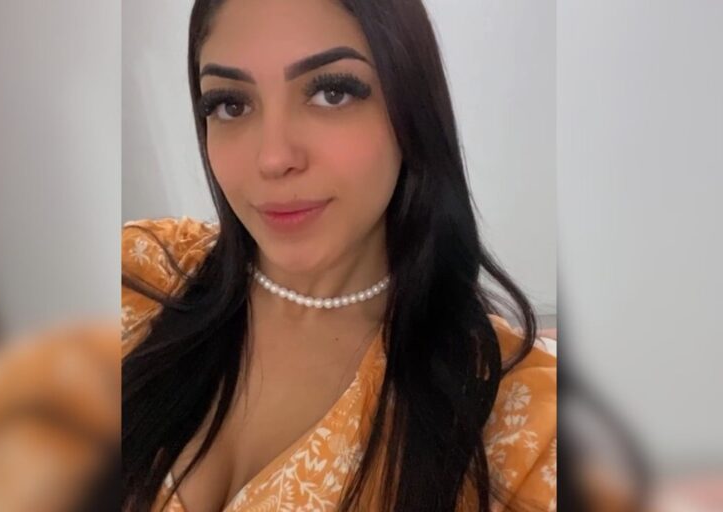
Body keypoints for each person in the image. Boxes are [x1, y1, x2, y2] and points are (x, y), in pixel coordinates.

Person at [122, 0, 557, 511]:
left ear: (411, 107)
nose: (274, 158)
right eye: (231, 104)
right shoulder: (141, 272)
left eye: (332, 92)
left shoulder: (520, 418)